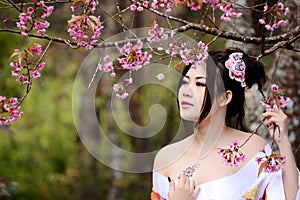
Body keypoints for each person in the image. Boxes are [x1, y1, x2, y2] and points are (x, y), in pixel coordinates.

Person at [151, 48, 299, 200]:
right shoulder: (165, 159)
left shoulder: (253, 149)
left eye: (200, 84)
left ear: (225, 97)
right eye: (185, 82)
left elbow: (288, 197)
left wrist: (284, 143)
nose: (186, 91)